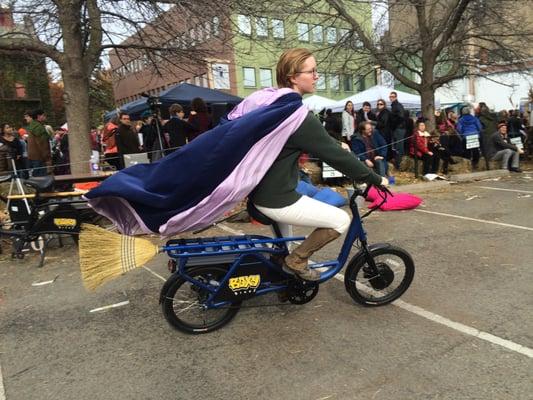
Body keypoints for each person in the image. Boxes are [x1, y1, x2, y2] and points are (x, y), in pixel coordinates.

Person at [250, 48, 386, 281]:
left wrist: (334, 143)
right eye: (311, 71)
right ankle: (297, 260)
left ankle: (283, 277)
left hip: (262, 192)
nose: (316, 76)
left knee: (284, 241)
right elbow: (335, 157)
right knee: (341, 219)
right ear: (293, 77)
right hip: (278, 197)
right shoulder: (298, 115)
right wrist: (375, 178)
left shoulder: (276, 104)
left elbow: (314, 139)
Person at [25, 109, 51, 177]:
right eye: (43, 115)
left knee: (36, 177)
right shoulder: (39, 127)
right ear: (39, 116)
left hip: (32, 156)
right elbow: (43, 143)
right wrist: (47, 157)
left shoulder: (32, 125)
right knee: (41, 178)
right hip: (39, 156)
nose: (45, 117)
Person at [389, 91, 406, 169]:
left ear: (396, 97)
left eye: (393, 96)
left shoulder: (397, 105)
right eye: (390, 97)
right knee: (396, 147)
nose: (391, 98)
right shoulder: (394, 105)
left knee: (399, 147)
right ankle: (398, 164)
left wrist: (394, 124)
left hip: (399, 128)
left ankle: (400, 165)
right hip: (398, 128)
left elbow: (401, 117)